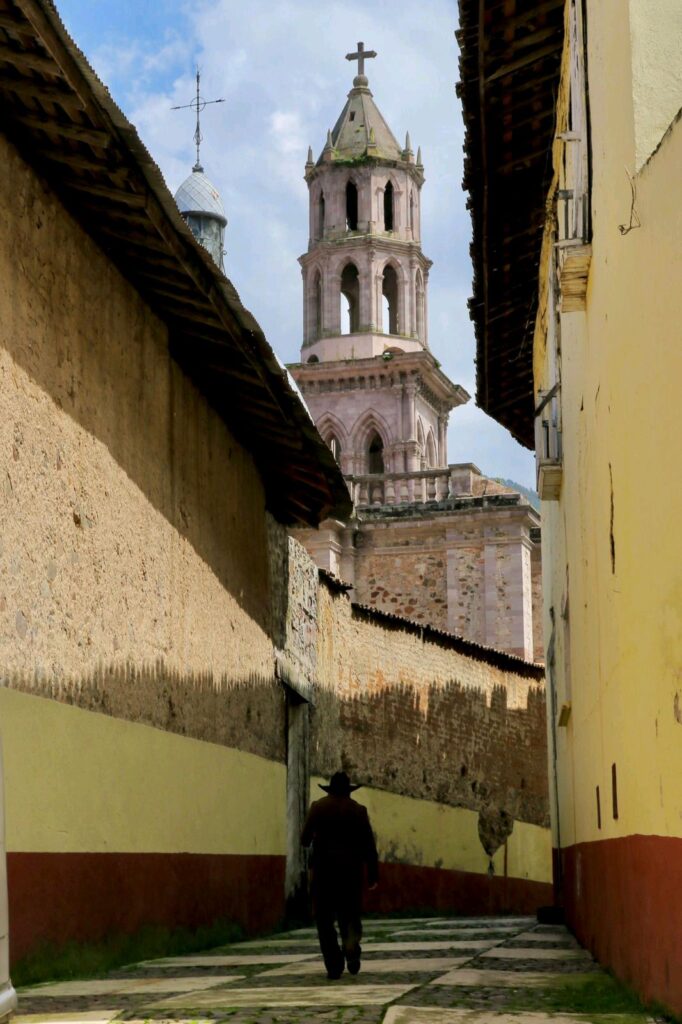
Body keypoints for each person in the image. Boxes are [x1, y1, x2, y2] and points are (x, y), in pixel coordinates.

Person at [301, 771, 379, 980]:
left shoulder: (318, 807)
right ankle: (351, 947)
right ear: (349, 791)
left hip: (323, 873)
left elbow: (304, 839)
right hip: (351, 873)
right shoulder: (358, 811)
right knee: (350, 914)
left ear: (330, 789)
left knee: (324, 920)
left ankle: (333, 963)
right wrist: (373, 875)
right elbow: (369, 846)